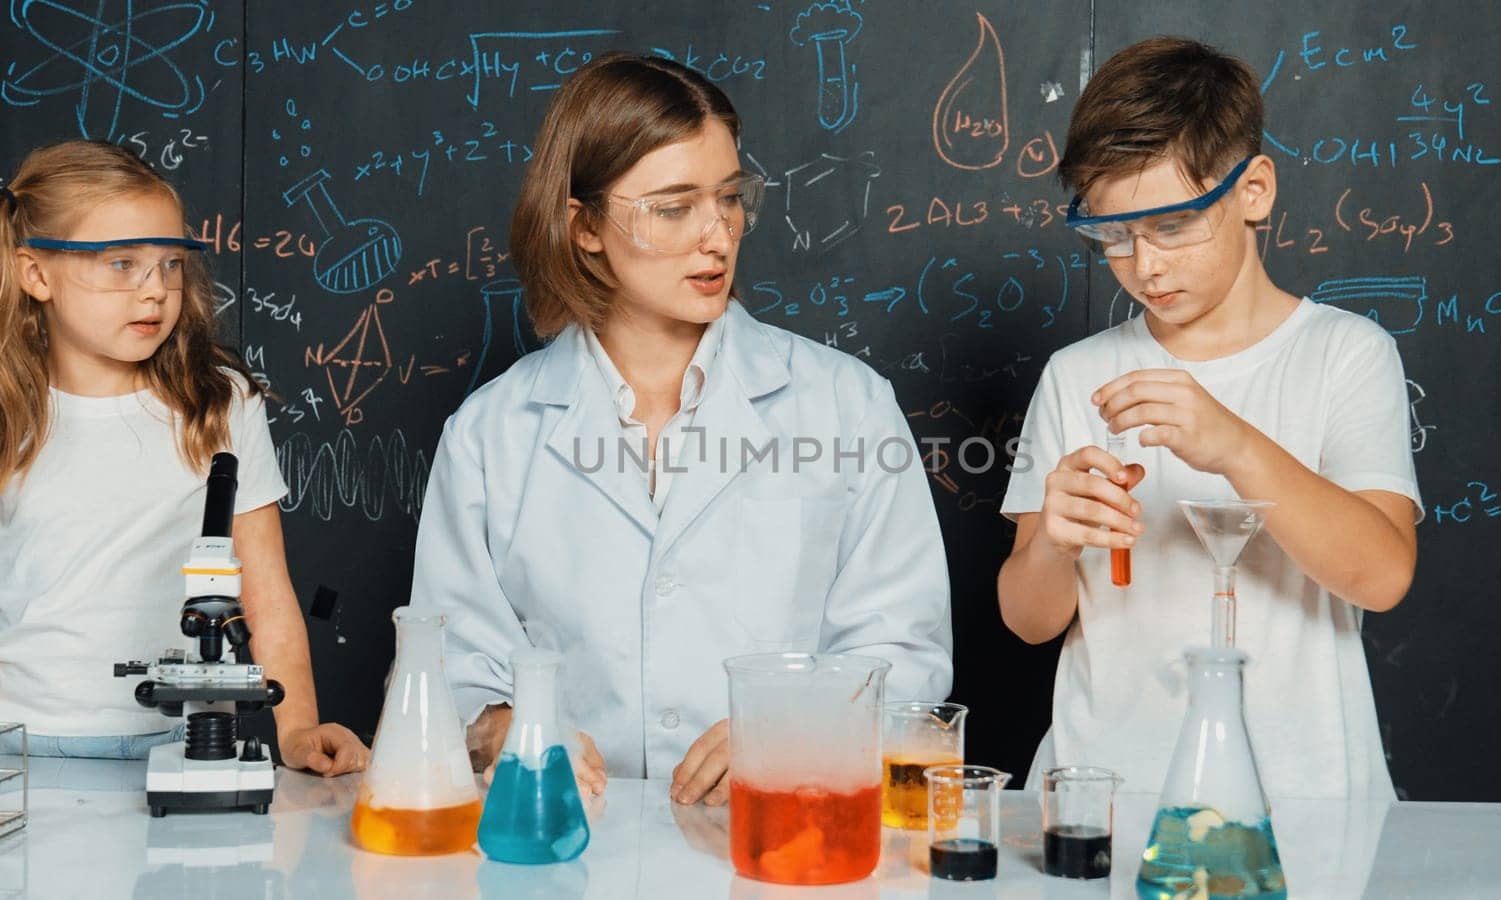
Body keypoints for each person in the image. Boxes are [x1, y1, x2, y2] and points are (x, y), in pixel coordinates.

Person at [410, 53, 953, 805]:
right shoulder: (490, 434)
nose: (717, 236)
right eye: (673, 207)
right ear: (586, 226)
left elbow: (907, 653)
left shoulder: (845, 406)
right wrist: (505, 728)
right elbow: (451, 668)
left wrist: (800, 722)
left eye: (729, 198)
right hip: (570, 843)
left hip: (783, 835)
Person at [997, 38, 1420, 800]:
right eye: (1112, 235)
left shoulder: (1345, 355)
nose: (1144, 265)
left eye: (1170, 227)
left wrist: (1234, 443)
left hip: (1302, 788)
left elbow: (1383, 575)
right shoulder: (1079, 375)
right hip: (1105, 789)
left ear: (1253, 190)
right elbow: (1030, 620)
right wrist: (1056, 544)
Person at [0, 140, 368, 774]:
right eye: (121, 265)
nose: (155, 292)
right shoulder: (10, 413)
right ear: (36, 274)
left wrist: (297, 726)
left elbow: (265, 591)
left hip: (190, 744)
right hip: (21, 743)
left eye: (171, 264)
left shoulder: (222, 404)